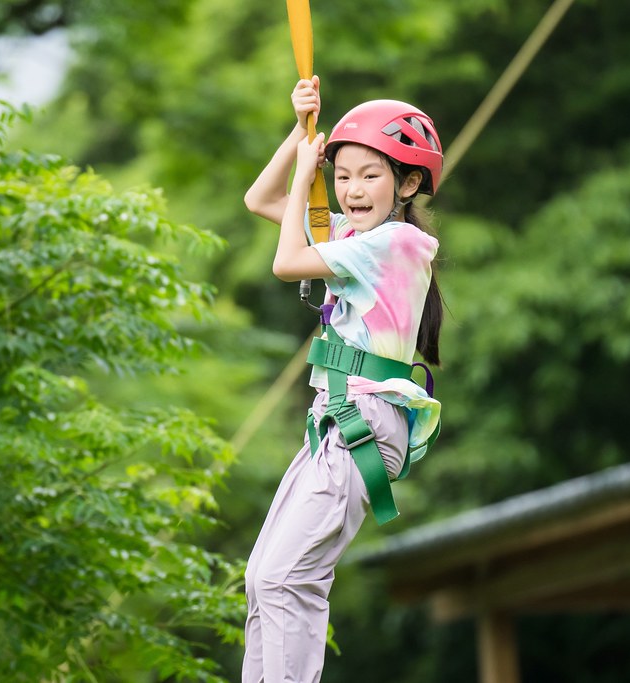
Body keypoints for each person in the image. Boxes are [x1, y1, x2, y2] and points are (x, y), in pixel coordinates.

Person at [241, 75, 444, 682]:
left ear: (407, 184)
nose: (352, 189)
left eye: (370, 175)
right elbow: (259, 199)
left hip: (364, 424)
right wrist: (299, 131)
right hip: (334, 425)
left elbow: (286, 261)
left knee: (287, 579)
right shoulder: (356, 238)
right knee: (263, 578)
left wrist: (310, 171)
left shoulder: (397, 242)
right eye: (343, 175)